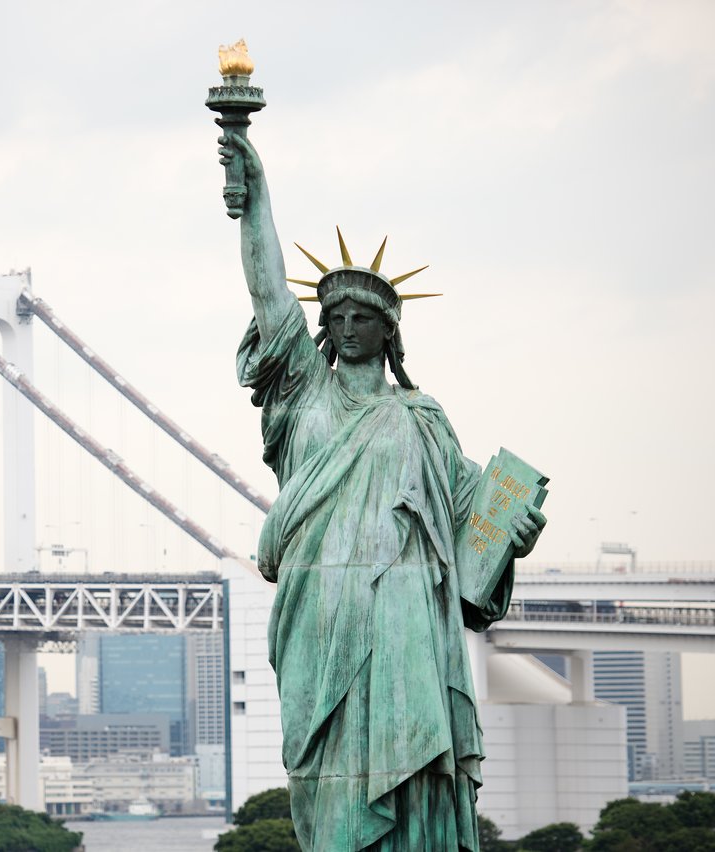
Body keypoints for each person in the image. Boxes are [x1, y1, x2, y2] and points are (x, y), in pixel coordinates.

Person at [218, 131, 545, 851]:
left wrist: (514, 539)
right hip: (319, 611)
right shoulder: (303, 394)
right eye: (334, 318)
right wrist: (254, 197)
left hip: (404, 617)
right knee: (327, 788)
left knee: (413, 768)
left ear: (389, 330)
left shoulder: (422, 419)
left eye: (362, 316)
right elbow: (270, 292)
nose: (347, 326)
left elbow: (472, 531)